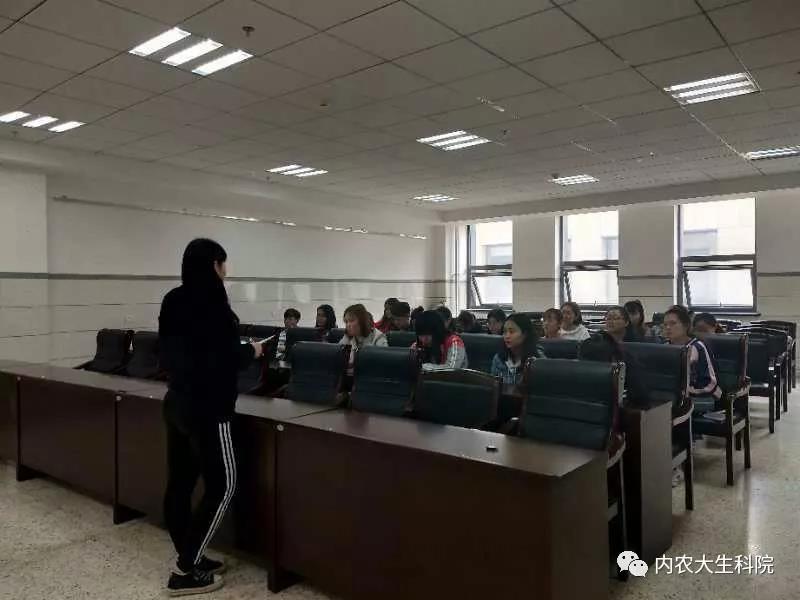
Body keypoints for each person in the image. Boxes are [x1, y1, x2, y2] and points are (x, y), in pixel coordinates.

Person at [159, 239, 264, 596]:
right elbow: (223, 358)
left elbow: (174, 352)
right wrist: (251, 351)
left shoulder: (173, 299)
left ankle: (190, 553)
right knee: (224, 485)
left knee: (180, 484)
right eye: (224, 263)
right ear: (215, 265)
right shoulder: (214, 304)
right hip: (210, 408)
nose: (226, 271)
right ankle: (185, 569)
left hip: (177, 402)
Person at [663, 305, 721, 407]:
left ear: (686, 326)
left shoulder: (698, 346)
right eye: (665, 324)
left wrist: (686, 391)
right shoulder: (664, 347)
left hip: (701, 394)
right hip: (675, 394)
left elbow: (710, 383)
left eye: (673, 323)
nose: (668, 327)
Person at [490, 313, 544, 385]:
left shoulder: (538, 359)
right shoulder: (499, 358)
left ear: (524, 334)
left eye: (511, 332)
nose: (507, 336)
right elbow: (493, 385)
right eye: (505, 332)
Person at [339, 303, 388, 377]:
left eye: (351, 321)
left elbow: (382, 364)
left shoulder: (378, 337)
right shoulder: (347, 337)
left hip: (371, 378)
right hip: (350, 377)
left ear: (362, 321)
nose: (348, 325)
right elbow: (339, 356)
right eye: (346, 322)